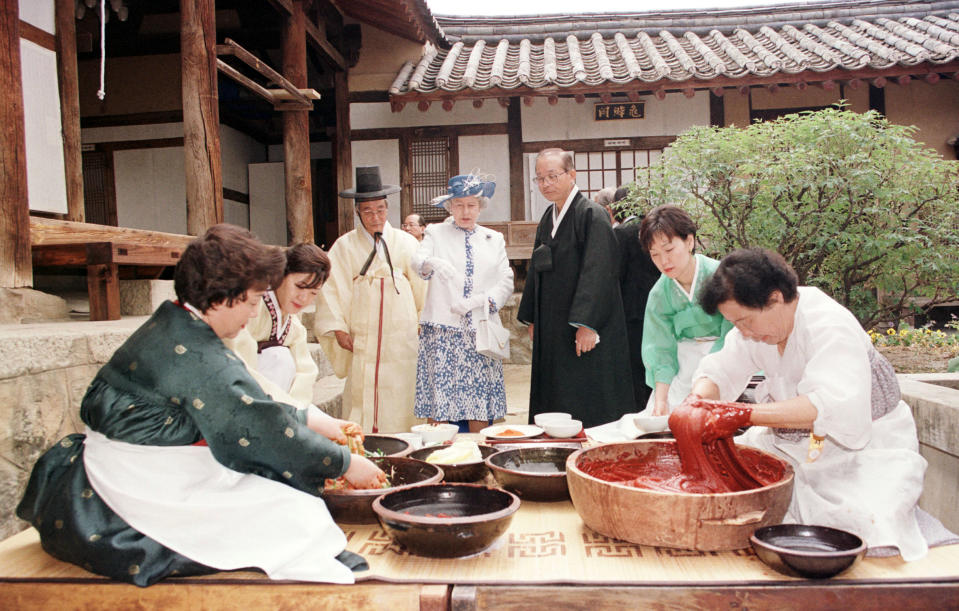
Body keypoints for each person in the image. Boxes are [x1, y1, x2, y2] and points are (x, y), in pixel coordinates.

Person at [16, 224, 387, 587]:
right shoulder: (199, 354)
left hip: (134, 459)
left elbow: (246, 408)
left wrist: (312, 420)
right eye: (254, 301)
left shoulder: (175, 320)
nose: (253, 315)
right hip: (137, 476)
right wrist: (346, 462)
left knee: (275, 491)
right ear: (226, 297)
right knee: (293, 512)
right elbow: (261, 430)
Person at [689, 248, 931, 561]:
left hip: (864, 448)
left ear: (775, 299)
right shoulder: (754, 332)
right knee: (725, 481)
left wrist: (743, 414)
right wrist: (698, 399)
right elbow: (721, 369)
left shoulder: (829, 325)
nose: (744, 332)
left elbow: (828, 406)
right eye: (736, 325)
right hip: (788, 444)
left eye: (746, 321)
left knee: (859, 519)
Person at [517, 148, 634, 429]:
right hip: (553, 324)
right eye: (540, 178)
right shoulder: (548, 216)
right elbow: (537, 266)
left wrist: (587, 324)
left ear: (572, 175)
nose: (546, 183)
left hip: (581, 325)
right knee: (556, 386)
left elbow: (600, 272)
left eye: (552, 176)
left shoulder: (592, 215)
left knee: (586, 390)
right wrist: (533, 315)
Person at [314, 166, 427, 433]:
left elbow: (424, 288)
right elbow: (331, 289)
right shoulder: (343, 246)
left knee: (402, 391)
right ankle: (364, 444)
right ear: (357, 212)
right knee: (362, 394)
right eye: (368, 211)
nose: (375, 216)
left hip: (402, 337)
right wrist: (339, 328)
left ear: (387, 209)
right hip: (362, 336)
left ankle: (404, 445)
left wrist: (423, 323)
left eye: (380, 209)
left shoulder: (407, 243)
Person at [412, 173, 514, 433]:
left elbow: (506, 281)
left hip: (479, 331)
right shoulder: (436, 232)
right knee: (441, 402)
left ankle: (478, 456)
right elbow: (417, 260)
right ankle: (439, 457)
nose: (465, 211)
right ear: (450, 206)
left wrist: (480, 301)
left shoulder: (494, 239)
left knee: (477, 400)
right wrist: (432, 262)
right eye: (458, 204)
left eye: (471, 205)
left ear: (480, 207)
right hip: (442, 331)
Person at [640, 204, 732, 415]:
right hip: (684, 361)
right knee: (665, 414)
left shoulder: (721, 277)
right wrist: (660, 401)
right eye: (655, 255)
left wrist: (709, 375)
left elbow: (733, 334)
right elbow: (660, 350)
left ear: (689, 241)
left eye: (669, 250)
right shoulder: (659, 294)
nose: (664, 261)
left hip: (726, 356)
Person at [225, 242, 333, 409]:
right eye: (299, 286)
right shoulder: (253, 306)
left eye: (313, 293)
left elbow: (306, 372)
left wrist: (296, 407)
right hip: (235, 392)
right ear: (281, 276)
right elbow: (237, 359)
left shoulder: (293, 326)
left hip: (273, 402)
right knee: (279, 356)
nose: (303, 298)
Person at [612, 186, 660, 410]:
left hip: (631, 309)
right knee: (655, 360)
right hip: (657, 303)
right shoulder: (653, 229)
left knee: (636, 364)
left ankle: (639, 408)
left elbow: (616, 273)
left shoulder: (622, 233)